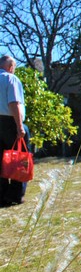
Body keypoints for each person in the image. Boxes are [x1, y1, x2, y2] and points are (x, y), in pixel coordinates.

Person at [0, 54, 29, 206]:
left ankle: (1, 195)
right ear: (11, 67)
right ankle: (15, 195)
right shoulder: (11, 79)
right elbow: (14, 103)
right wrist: (19, 127)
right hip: (9, 122)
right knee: (20, 158)